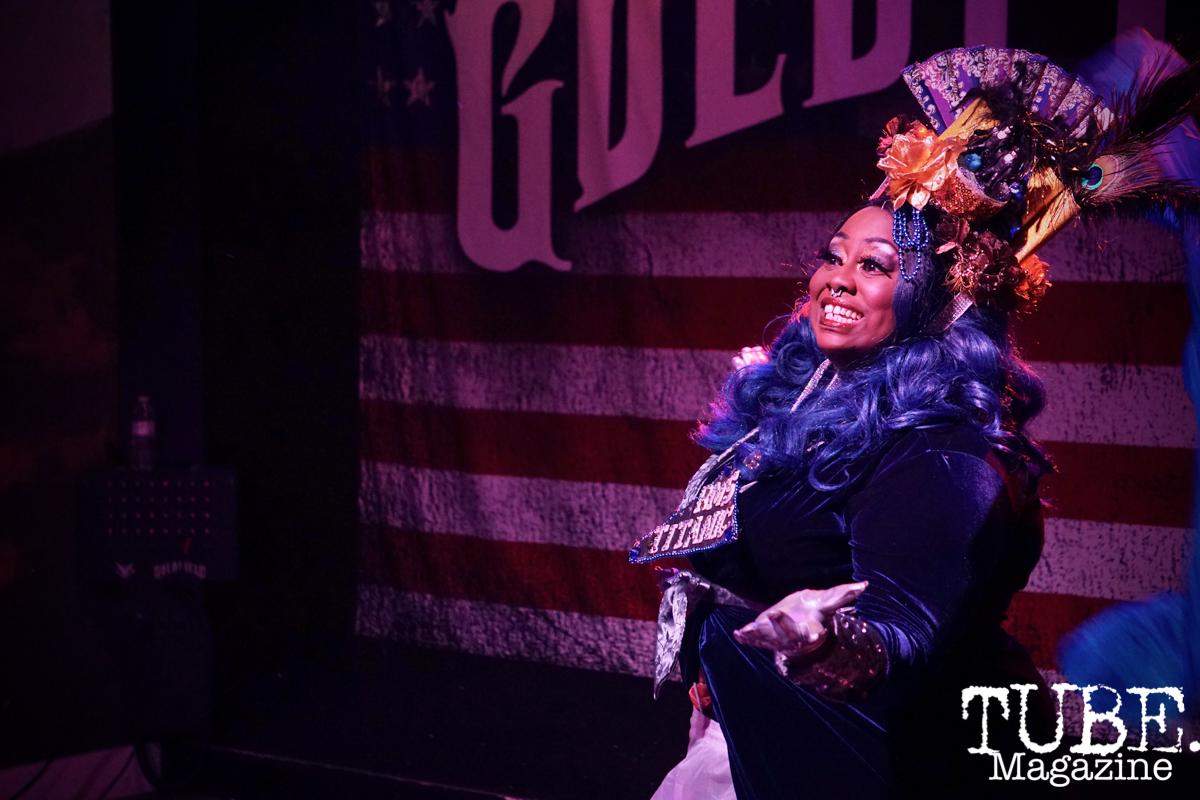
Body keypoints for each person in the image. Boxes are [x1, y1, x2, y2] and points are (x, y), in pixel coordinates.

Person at [632, 44, 1200, 799]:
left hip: (883, 759)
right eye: (834, 256)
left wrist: (832, 646)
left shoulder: (946, 451)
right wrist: (727, 654)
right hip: (771, 734)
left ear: (937, 297)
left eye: (874, 265)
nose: (836, 279)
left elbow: (900, 627)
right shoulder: (812, 400)